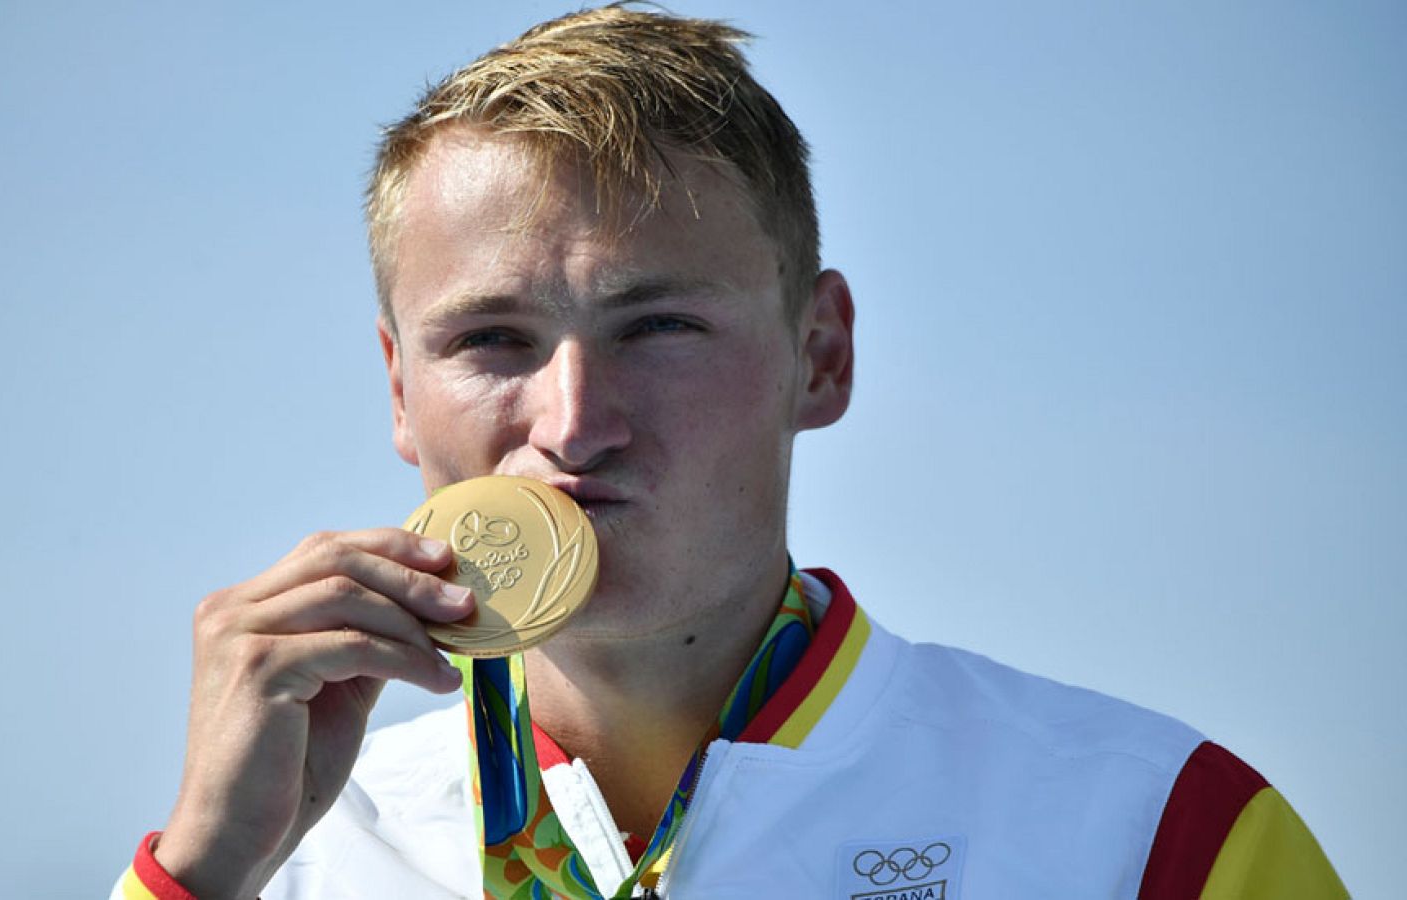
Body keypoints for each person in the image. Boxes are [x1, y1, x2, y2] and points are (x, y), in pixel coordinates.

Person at [113, 5, 1346, 898]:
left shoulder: (1153, 836)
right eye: (491, 339)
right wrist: (204, 875)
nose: (571, 424)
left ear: (820, 355)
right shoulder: (284, 859)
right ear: (400, 389)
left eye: (657, 326)